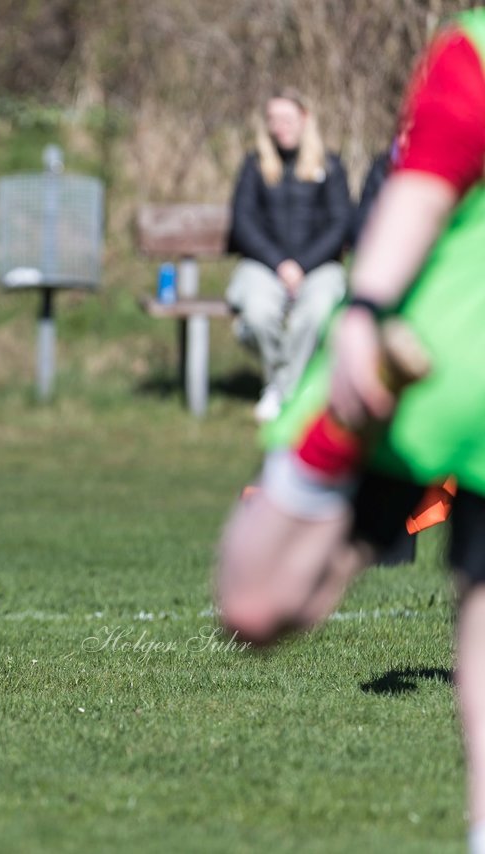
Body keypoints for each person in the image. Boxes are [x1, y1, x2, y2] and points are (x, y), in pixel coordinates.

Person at [215, 14, 485, 850]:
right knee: (258, 605)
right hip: (437, 360)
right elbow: (425, 178)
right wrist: (365, 313)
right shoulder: (476, 45)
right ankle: (335, 435)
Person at [225, 88, 353, 422]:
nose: (278, 126)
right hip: (263, 265)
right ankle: (288, 389)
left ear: (305, 119)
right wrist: (280, 264)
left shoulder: (331, 166)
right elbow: (243, 223)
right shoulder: (254, 167)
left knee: (318, 312)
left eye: (286, 118)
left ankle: (281, 390)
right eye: (272, 119)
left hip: (318, 267)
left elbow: (340, 224)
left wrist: (303, 265)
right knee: (256, 315)